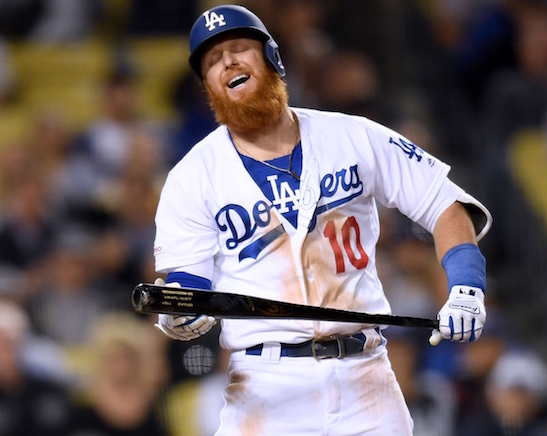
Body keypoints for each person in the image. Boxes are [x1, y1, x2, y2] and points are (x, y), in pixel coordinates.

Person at [151, 4, 492, 435]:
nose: (228, 63)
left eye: (239, 49)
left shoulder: (353, 136)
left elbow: (445, 204)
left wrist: (465, 287)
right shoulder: (191, 176)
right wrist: (179, 310)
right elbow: (190, 283)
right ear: (209, 87)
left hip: (365, 375)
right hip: (265, 387)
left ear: (272, 58)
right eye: (213, 61)